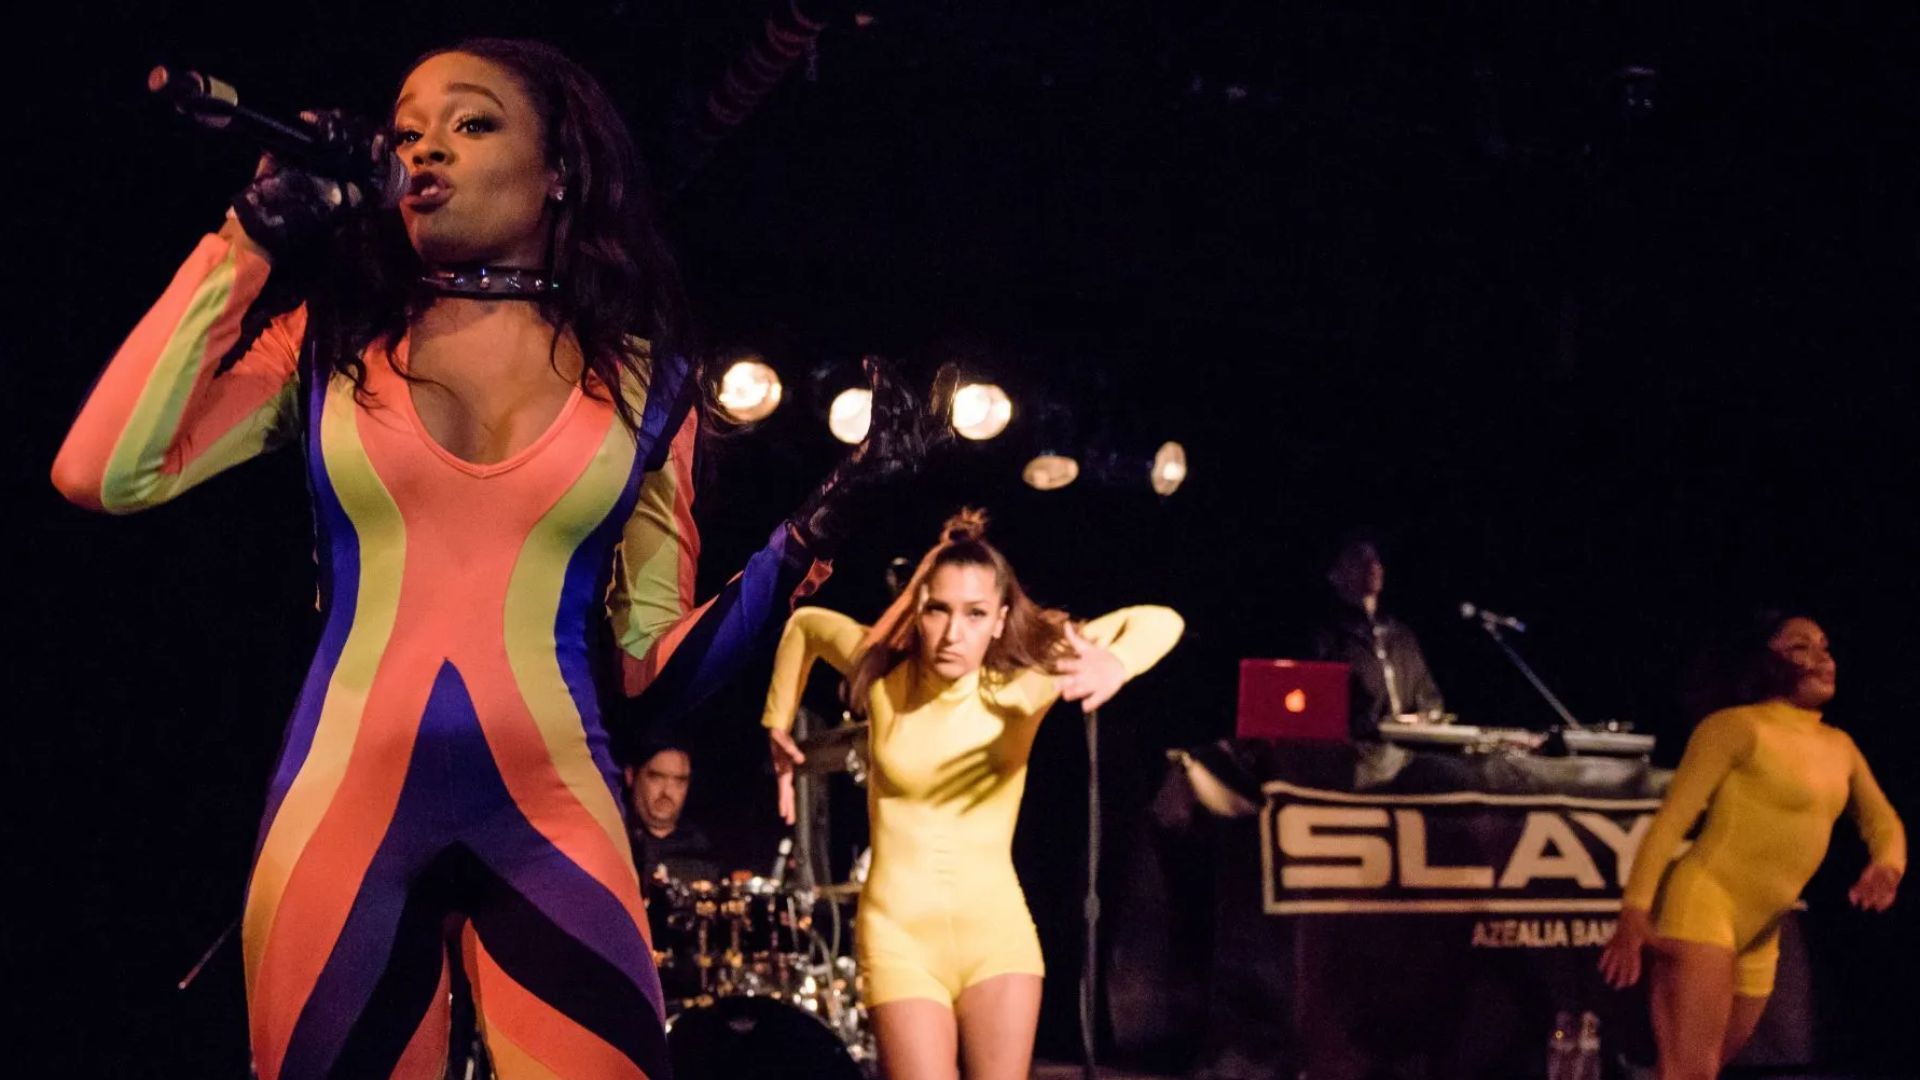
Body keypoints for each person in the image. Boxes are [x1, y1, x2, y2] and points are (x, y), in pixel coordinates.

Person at [51, 38, 943, 1080]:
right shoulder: (332, 341)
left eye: (471, 125)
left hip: (552, 820)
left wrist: (818, 528)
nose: (425, 150)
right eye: (406, 131)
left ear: (561, 170)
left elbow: (654, 677)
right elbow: (102, 471)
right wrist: (244, 241)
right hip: (341, 819)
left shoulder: (648, 382)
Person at [760, 510, 1183, 1080]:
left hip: (997, 939)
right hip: (899, 938)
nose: (954, 633)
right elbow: (805, 625)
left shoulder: (1021, 689)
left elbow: (1160, 619)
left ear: (1001, 618)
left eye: (976, 613)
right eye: (939, 610)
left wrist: (1118, 664)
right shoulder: (884, 680)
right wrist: (777, 725)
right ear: (918, 610)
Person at [1599, 612, 1905, 1080]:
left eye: (1825, 646)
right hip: (1704, 906)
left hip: (1763, 929)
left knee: (1702, 1070)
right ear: (1764, 662)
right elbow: (1670, 823)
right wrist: (1634, 911)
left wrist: (1888, 863)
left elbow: (1882, 820)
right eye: (1802, 647)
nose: (1823, 658)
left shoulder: (1839, 745)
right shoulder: (1734, 728)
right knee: (1688, 1071)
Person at [1307, 532, 1445, 738]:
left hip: (1406, 747)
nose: (1372, 565)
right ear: (1335, 574)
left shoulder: (1400, 636)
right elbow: (1321, 708)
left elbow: (1430, 698)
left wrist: (1426, 716)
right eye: (1359, 559)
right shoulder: (1328, 637)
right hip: (1358, 750)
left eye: (1375, 559)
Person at [625, 744, 722, 885]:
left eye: (679, 781)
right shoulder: (613, 842)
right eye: (657, 777)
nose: (667, 792)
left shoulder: (705, 850)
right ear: (630, 775)